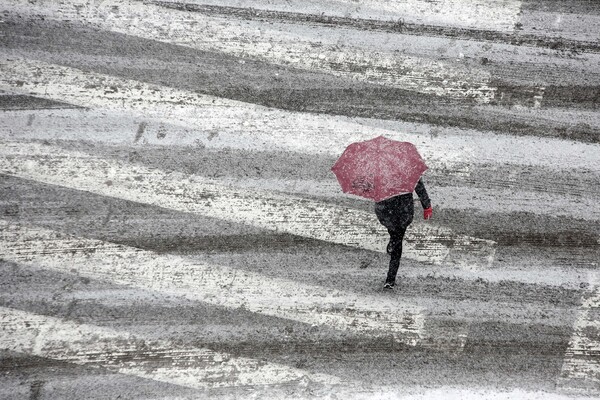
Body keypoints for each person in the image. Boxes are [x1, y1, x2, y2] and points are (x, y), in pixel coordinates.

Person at [374, 178, 432, 289]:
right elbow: (418, 184)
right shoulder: (408, 168)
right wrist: (427, 206)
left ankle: (390, 278)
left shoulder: (381, 167)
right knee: (396, 237)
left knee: (397, 240)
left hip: (394, 209)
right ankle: (392, 241)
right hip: (396, 209)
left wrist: (427, 205)